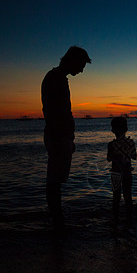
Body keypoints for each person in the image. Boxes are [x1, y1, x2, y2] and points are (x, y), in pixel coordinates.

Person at [41, 46, 91, 228]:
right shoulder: (56, 78)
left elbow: (59, 111)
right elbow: (56, 112)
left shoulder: (58, 78)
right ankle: (58, 219)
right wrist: (64, 136)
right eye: (81, 65)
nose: (82, 70)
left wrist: (69, 137)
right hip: (57, 135)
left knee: (56, 179)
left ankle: (58, 217)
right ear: (73, 60)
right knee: (54, 179)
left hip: (60, 135)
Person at [107, 117, 137, 223]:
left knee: (116, 197)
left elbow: (108, 159)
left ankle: (115, 218)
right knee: (128, 196)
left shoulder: (111, 145)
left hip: (115, 173)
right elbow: (134, 156)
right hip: (127, 173)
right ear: (126, 129)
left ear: (113, 130)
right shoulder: (131, 142)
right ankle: (130, 218)